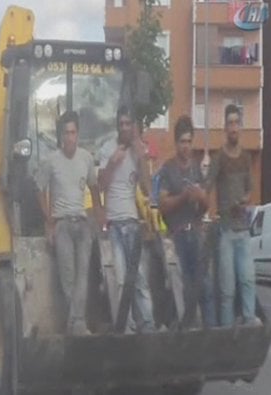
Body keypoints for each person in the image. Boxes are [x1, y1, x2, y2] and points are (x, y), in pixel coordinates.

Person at [37, 111, 103, 335]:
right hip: (62, 224)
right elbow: (40, 190)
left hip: (82, 223)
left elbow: (95, 189)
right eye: (66, 133)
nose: (70, 137)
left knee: (83, 274)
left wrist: (97, 218)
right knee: (68, 275)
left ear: (78, 135)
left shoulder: (86, 158)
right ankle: (76, 323)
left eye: (73, 132)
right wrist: (49, 221)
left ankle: (77, 323)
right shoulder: (51, 161)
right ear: (61, 136)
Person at [97, 105, 155, 334]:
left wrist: (140, 159)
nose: (124, 128)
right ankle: (127, 326)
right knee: (121, 279)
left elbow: (147, 188)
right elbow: (101, 185)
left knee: (139, 278)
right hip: (113, 224)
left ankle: (148, 324)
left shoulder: (139, 151)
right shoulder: (107, 149)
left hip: (132, 222)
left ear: (133, 127)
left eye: (128, 124)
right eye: (120, 124)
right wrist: (113, 162)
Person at [158, 115, 217, 328]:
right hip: (177, 234)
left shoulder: (195, 169)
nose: (186, 146)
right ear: (176, 143)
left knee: (205, 285)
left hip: (196, 231)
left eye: (189, 141)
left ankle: (210, 332)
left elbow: (205, 204)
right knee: (182, 285)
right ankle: (186, 329)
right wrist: (183, 197)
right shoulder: (168, 169)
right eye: (182, 141)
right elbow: (163, 203)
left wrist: (200, 197)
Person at [206, 104, 261, 327]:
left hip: (243, 228)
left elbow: (250, 189)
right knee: (227, 288)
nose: (233, 128)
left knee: (247, 279)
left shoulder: (247, 158)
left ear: (241, 127)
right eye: (230, 123)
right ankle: (227, 330)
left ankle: (248, 319)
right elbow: (208, 185)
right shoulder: (219, 158)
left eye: (237, 123)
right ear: (225, 128)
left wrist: (245, 200)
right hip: (226, 230)